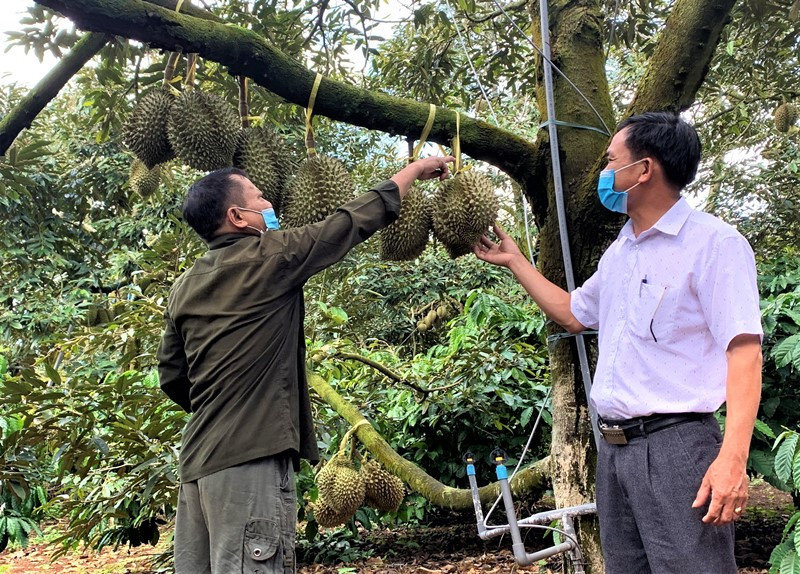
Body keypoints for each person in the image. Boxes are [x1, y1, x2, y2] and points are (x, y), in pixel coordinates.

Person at [473, 112, 762, 573]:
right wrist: (516, 263)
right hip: (615, 450)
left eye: (611, 162)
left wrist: (733, 458)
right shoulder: (621, 251)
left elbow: (744, 350)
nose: (604, 175)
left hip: (677, 447)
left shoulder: (714, 243)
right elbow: (573, 313)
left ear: (644, 170)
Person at [157, 154, 454, 574]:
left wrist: (225, 402)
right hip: (251, 462)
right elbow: (349, 222)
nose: (269, 206)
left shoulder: (185, 285)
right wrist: (414, 171)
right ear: (237, 216)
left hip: (198, 466)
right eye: (260, 198)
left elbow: (171, 375)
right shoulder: (271, 255)